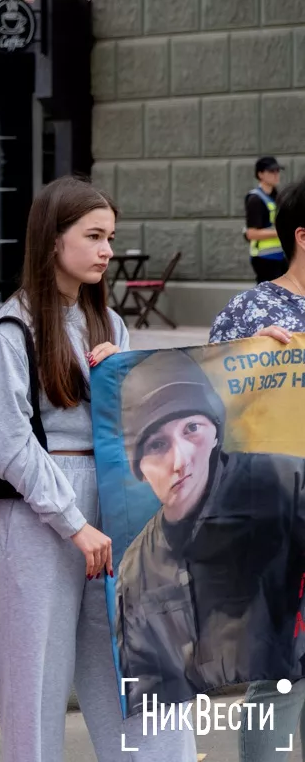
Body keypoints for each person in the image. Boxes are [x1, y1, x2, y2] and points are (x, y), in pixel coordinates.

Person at [0, 175, 196, 760]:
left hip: (114, 502)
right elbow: (4, 439)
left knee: (135, 661)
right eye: (93, 236)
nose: (106, 251)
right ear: (51, 241)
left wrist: (128, 373)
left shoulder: (109, 325)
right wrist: (72, 521)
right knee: (35, 680)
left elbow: (151, 419)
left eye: (110, 237)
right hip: (38, 512)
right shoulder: (13, 329)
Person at [115, 350, 305, 705]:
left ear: (216, 432)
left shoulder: (287, 484)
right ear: (139, 467)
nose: (180, 459)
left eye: (192, 429)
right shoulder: (137, 571)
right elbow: (149, 691)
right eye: (157, 444)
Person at [211, 177, 305, 760]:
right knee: (281, 671)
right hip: (279, 517)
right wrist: (251, 361)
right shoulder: (254, 310)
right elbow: (206, 408)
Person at [245, 156, 287, 284]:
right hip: (264, 259)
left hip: (280, 257)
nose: (276, 175)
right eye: (271, 171)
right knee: (268, 300)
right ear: (260, 174)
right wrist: (281, 231)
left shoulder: (277, 196)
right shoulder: (255, 199)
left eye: (277, 171)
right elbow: (251, 233)